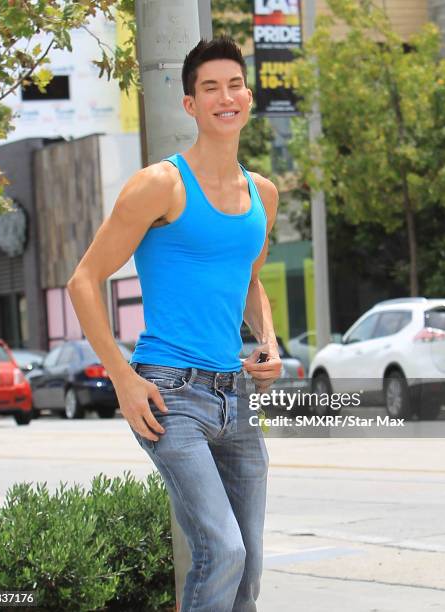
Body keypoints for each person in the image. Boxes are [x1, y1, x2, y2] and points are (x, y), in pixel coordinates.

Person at [67, 35, 281, 612]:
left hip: (234, 395)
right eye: (210, 88)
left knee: (251, 565)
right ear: (191, 104)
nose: (225, 96)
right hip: (168, 392)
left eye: (234, 85)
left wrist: (267, 338)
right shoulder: (159, 185)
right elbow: (84, 281)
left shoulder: (263, 194)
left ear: (249, 96)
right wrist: (122, 377)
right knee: (223, 550)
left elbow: (250, 280)